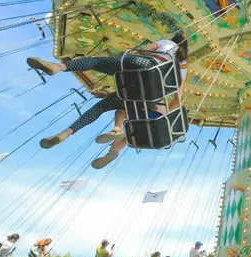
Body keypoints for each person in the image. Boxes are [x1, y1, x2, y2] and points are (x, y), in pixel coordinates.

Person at [28, 33, 189, 168]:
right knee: (119, 112)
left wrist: (125, 55)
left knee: (95, 64)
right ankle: (113, 148)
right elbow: (177, 96)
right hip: (149, 95)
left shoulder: (167, 44)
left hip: (141, 67)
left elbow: (144, 50)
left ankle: (59, 68)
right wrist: (166, 113)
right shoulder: (183, 66)